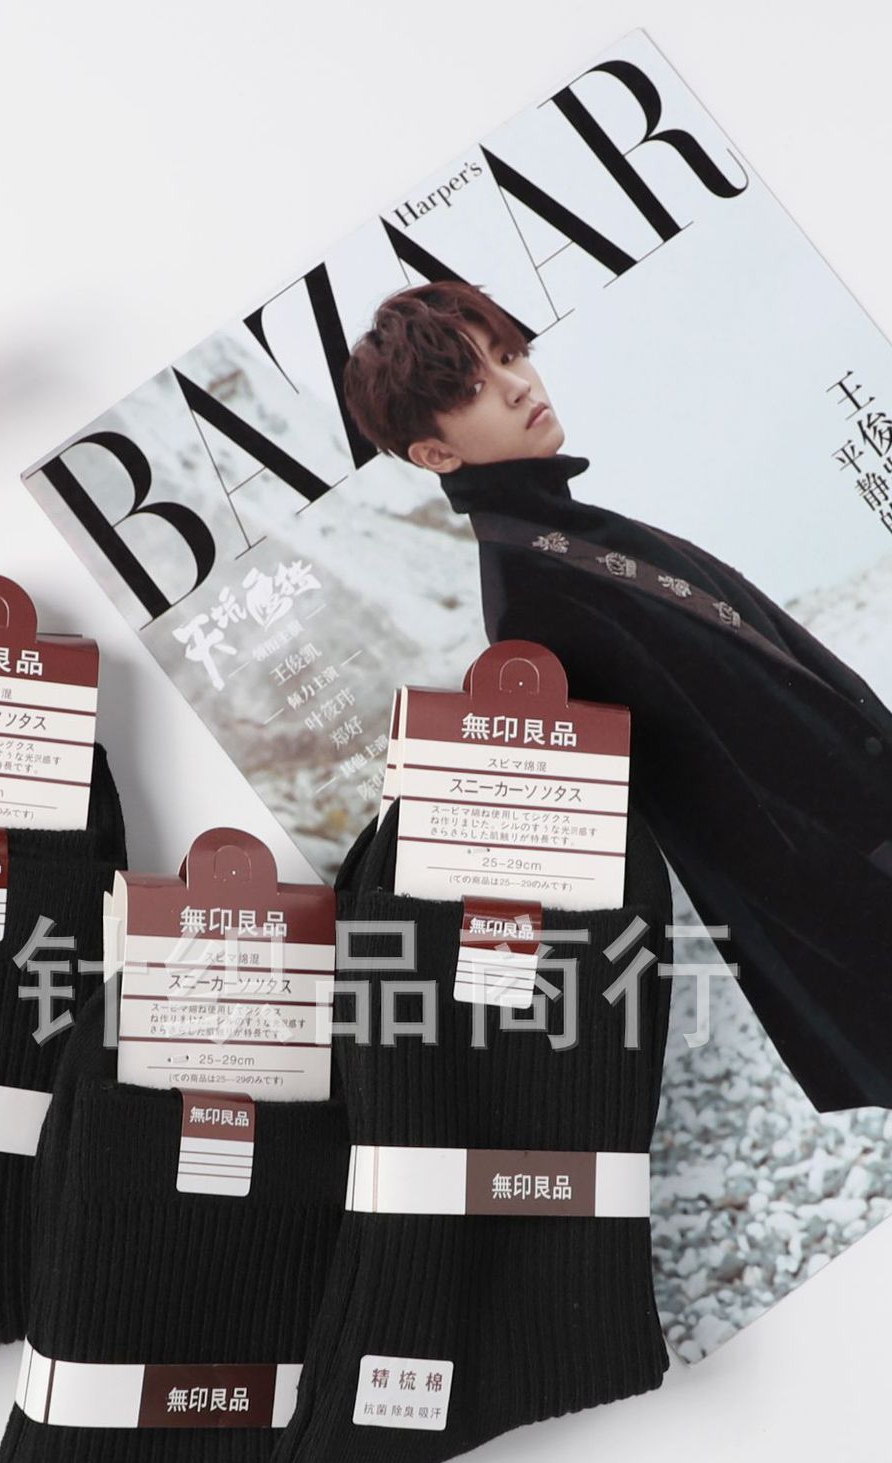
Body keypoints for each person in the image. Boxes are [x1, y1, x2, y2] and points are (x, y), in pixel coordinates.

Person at [341, 279, 892, 1113]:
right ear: (435, 454)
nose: (519, 385)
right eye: (474, 386)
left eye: (511, 354)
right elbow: (720, 811)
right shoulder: (531, 606)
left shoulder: (569, 541)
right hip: (863, 913)